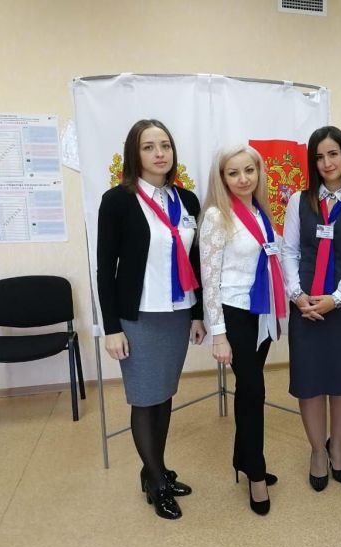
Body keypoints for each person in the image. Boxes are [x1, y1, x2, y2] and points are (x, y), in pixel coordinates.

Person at [97, 119, 205, 520]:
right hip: (139, 316)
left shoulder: (187, 200)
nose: (159, 153)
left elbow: (196, 260)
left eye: (165, 145)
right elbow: (105, 269)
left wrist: (197, 314)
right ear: (135, 153)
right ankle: (157, 481)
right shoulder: (118, 200)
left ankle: (153, 469)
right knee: (145, 399)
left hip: (177, 313)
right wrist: (112, 328)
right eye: (148, 146)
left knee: (164, 395)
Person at [281, 126, 341, 492]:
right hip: (306, 304)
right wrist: (297, 295)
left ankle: (336, 447)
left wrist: (337, 298)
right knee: (309, 382)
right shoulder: (299, 201)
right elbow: (290, 251)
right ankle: (317, 451)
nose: (326, 162)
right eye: (319, 156)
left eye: (333, 154)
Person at [199, 144, 286, 515]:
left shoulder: (261, 211)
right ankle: (256, 474)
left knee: (248, 392)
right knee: (254, 390)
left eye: (249, 170)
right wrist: (218, 333)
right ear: (222, 178)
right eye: (233, 173)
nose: (243, 178)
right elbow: (210, 280)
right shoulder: (216, 216)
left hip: (259, 310)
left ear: (259, 172)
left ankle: (243, 458)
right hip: (234, 313)